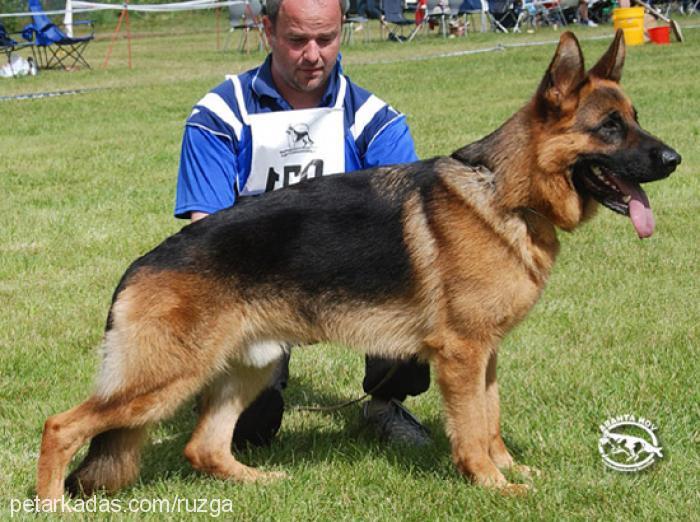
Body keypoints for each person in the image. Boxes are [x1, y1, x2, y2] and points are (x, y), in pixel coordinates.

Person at [175, 0, 431, 448]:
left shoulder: (376, 121)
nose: (313, 55)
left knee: (419, 285)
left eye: (326, 39)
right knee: (250, 431)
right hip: (255, 287)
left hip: (352, 280)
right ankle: (234, 396)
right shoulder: (219, 115)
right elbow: (207, 236)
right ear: (267, 29)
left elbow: (409, 229)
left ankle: (385, 402)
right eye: (296, 40)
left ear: (341, 31)